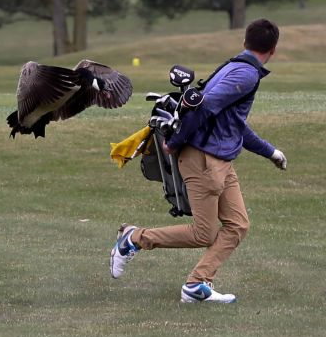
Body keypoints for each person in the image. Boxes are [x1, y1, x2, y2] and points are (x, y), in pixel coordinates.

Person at [109, 18, 287, 303]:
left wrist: (270, 152)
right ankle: (134, 239)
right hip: (205, 160)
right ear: (273, 50)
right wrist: (176, 142)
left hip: (221, 161)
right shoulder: (245, 75)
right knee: (203, 233)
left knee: (237, 225)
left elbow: (234, 124)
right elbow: (203, 108)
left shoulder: (235, 67)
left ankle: (196, 284)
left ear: (244, 42)